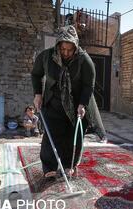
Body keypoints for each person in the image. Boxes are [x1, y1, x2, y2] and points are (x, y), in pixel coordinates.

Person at [31, 25, 95, 178]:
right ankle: (50, 168)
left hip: (77, 103)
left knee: (73, 137)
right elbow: (36, 74)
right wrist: (38, 94)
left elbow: (89, 84)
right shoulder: (46, 57)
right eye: (63, 49)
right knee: (51, 136)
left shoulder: (84, 60)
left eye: (70, 49)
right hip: (53, 103)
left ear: (76, 46)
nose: (66, 53)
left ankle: (69, 165)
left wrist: (82, 104)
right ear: (58, 45)